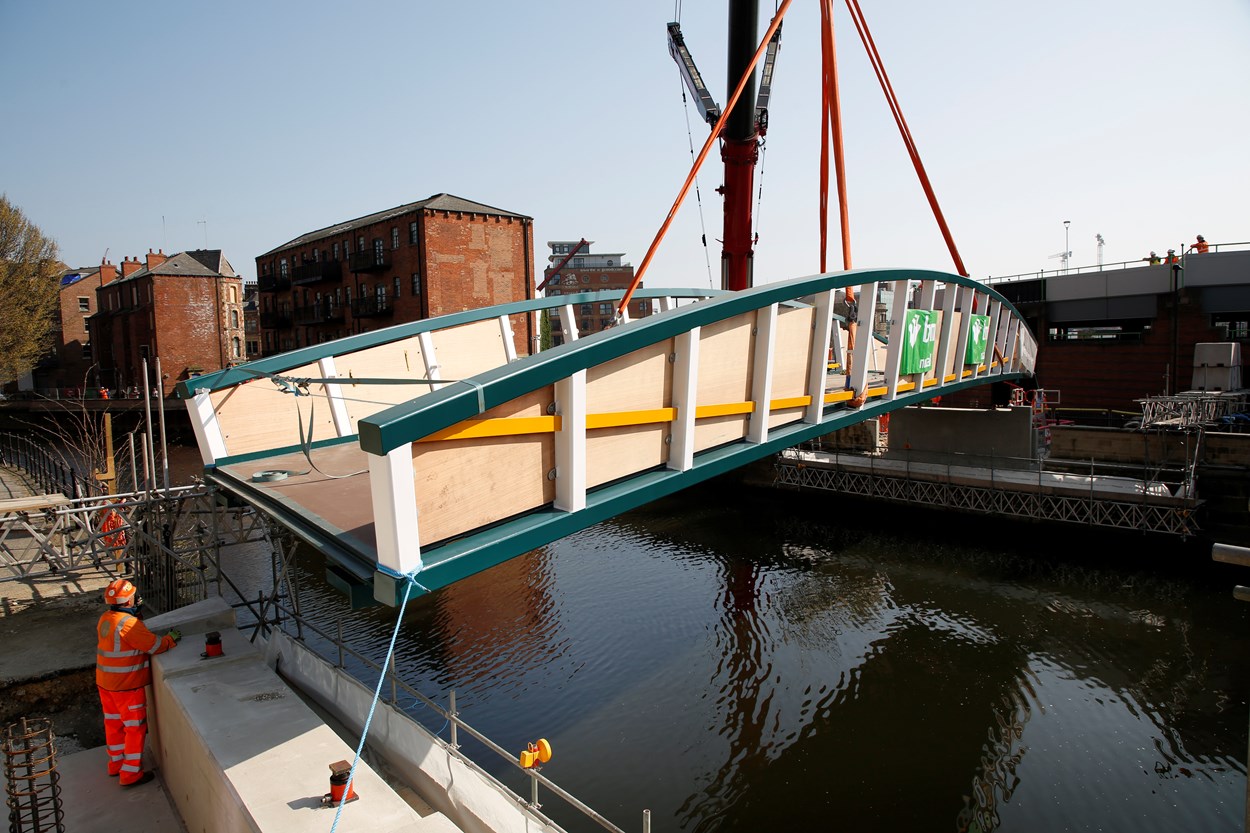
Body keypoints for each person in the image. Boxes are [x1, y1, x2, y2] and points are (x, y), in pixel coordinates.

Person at [96, 578, 180, 788]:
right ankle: (131, 773)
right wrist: (171, 638)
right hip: (127, 686)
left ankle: (115, 764)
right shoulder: (129, 624)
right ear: (127, 601)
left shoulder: (106, 618)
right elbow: (155, 646)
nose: (137, 598)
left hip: (106, 683)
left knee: (113, 724)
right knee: (135, 728)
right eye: (134, 596)